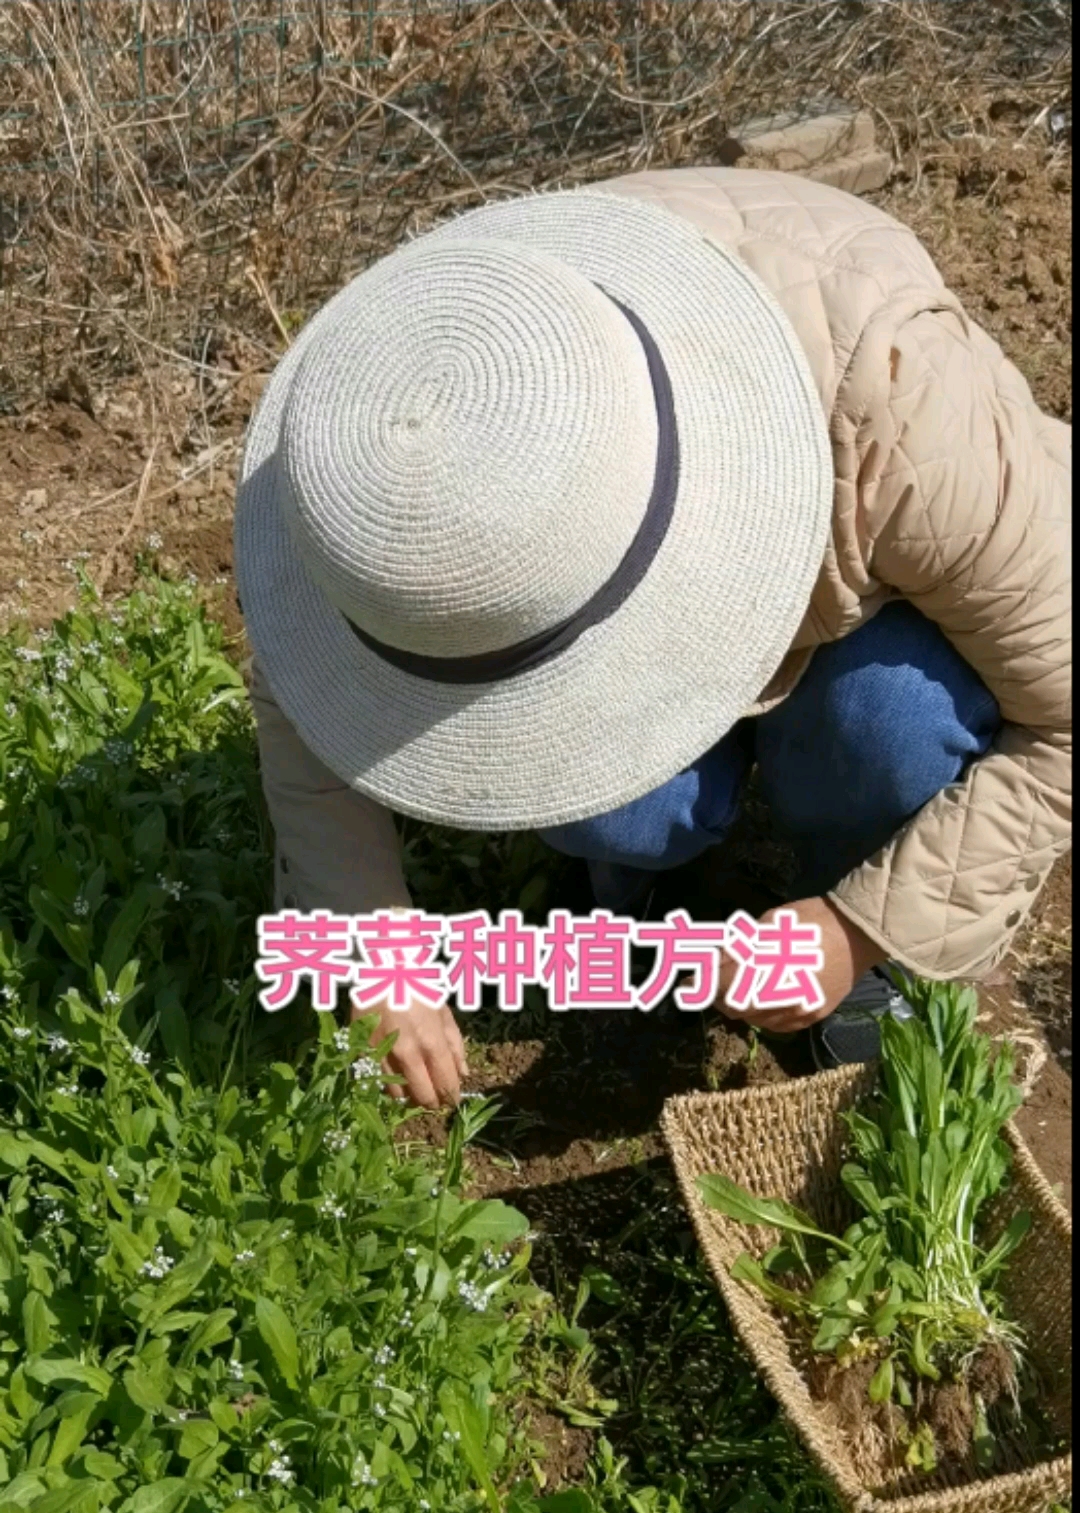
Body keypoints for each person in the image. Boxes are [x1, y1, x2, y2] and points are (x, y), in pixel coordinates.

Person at [235, 166, 1071, 1109]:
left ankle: (836, 874)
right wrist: (375, 950)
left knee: (887, 731)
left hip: (869, 595)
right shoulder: (369, 439)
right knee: (606, 807)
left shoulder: (899, 407)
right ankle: (654, 865)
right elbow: (302, 700)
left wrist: (859, 928)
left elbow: (1066, 722)